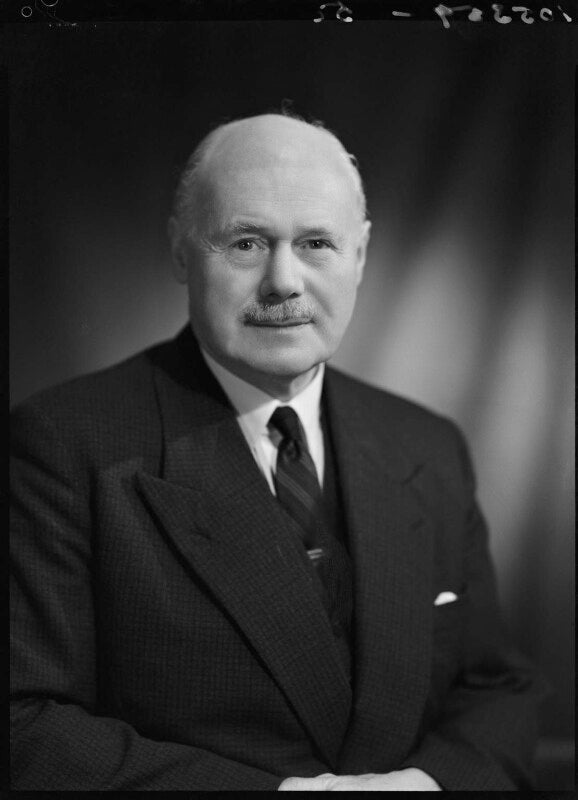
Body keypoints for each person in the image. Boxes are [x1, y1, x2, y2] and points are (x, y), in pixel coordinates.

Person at [10, 111, 547, 791]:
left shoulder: (428, 445)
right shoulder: (64, 446)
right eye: (246, 243)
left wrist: (426, 784)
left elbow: (497, 688)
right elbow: (24, 722)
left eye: (317, 242)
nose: (284, 281)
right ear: (180, 251)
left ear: (360, 255)